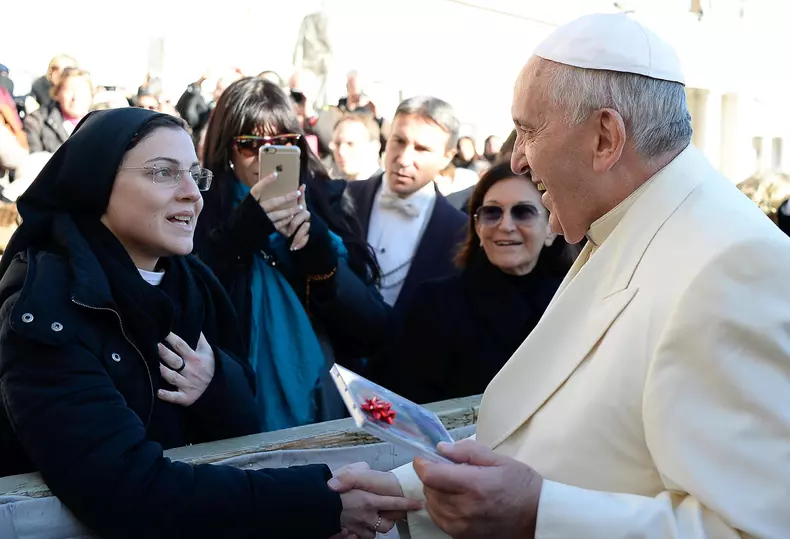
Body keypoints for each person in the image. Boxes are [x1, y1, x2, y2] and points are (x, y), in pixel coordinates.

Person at [329, 13, 790, 539]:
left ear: (605, 137)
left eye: (528, 131)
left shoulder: (736, 265)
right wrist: (401, 490)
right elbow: (550, 431)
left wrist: (537, 514)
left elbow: (754, 527)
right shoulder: (627, 219)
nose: (518, 160)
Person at [0, 107, 418, 538]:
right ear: (96, 182)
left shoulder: (195, 283)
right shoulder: (44, 312)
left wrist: (217, 382)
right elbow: (127, 491)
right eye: (163, 173)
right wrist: (320, 504)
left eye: (195, 176)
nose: (191, 194)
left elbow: (243, 426)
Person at [195, 77, 391, 431]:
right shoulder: (199, 212)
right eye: (250, 144)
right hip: (232, 415)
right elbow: (190, 310)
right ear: (227, 148)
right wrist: (238, 236)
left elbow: (373, 330)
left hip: (327, 412)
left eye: (282, 143)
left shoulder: (328, 204)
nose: (264, 157)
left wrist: (322, 261)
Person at [377, 160, 572, 403]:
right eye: (492, 212)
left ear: (551, 229)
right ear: (478, 227)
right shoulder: (435, 304)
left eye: (523, 212)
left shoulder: (573, 303)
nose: (506, 225)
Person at [345, 96, 466, 321]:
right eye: (398, 141)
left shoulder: (459, 230)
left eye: (421, 149)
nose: (404, 158)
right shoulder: (344, 197)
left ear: (446, 157)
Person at [24, 67, 93, 153]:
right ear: (57, 94)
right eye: (69, 90)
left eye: (81, 90)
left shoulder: (102, 123)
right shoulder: (37, 121)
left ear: (91, 95)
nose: (75, 97)